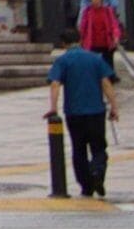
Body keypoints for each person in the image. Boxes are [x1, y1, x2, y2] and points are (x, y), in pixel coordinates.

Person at [45, 38, 118, 199]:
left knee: (79, 150)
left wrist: (53, 107)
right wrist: (114, 107)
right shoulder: (95, 59)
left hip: (74, 113)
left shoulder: (62, 60)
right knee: (99, 147)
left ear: (64, 45)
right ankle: (97, 170)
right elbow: (106, 83)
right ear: (81, 41)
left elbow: (55, 84)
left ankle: (86, 186)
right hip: (96, 112)